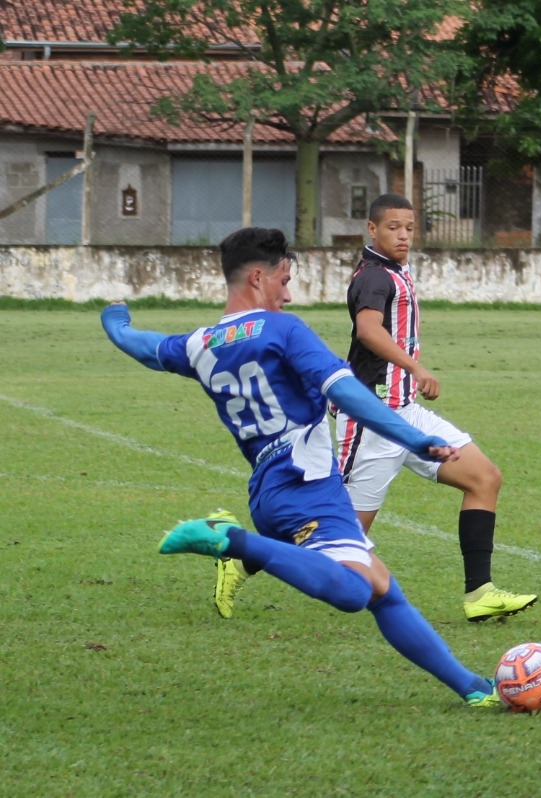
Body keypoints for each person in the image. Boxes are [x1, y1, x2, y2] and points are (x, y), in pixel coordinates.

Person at [101, 226, 504, 708]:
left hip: (270, 489)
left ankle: (472, 687)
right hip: (304, 484)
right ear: (257, 277)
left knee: (383, 590)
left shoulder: (199, 344)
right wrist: (416, 438)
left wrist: (115, 321)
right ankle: (232, 540)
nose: (288, 295)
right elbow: (346, 391)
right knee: (355, 591)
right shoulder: (283, 330)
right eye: (285, 281)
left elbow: (142, 346)